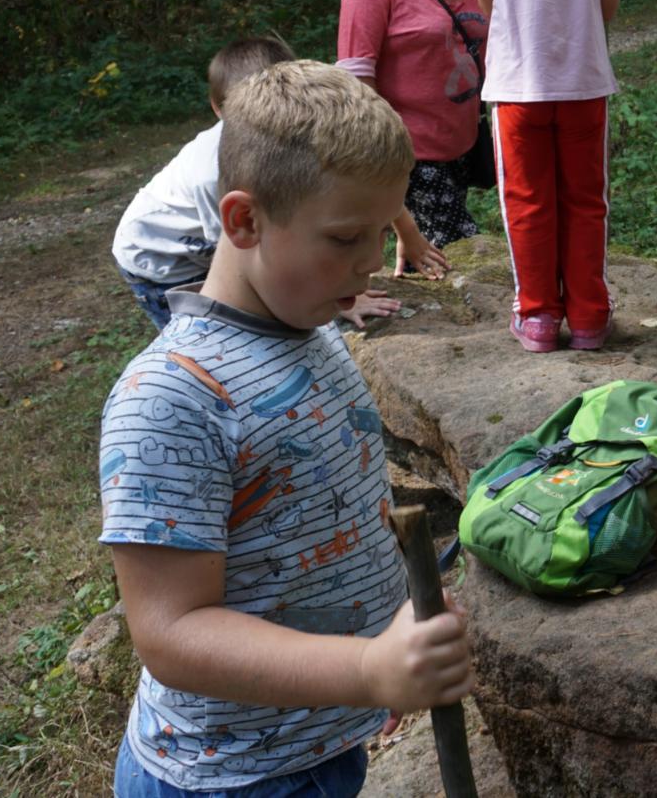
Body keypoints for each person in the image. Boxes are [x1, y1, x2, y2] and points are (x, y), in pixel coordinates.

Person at [98, 61, 475, 796]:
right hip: (227, 778)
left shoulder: (312, 330)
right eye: (344, 238)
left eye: (382, 231)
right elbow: (171, 632)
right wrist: (362, 670)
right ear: (243, 220)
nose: (372, 263)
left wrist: (385, 647)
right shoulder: (173, 397)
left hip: (317, 747)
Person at [469, 0, 623, 352]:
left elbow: (489, 6)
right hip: (583, 85)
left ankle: (537, 317)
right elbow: (605, 9)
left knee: (528, 202)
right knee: (586, 201)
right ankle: (588, 317)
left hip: (516, 88)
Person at [110, 36, 397, 331]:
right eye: (345, 238)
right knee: (208, 332)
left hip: (200, 241)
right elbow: (238, 256)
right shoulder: (210, 173)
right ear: (218, 107)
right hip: (157, 257)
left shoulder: (292, 146)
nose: (375, 260)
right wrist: (343, 296)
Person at [338, 0, 489, 279]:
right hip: (411, 153)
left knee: (426, 249)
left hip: (461, 144)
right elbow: (355, 82)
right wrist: (378, 160)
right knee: (456, 249)